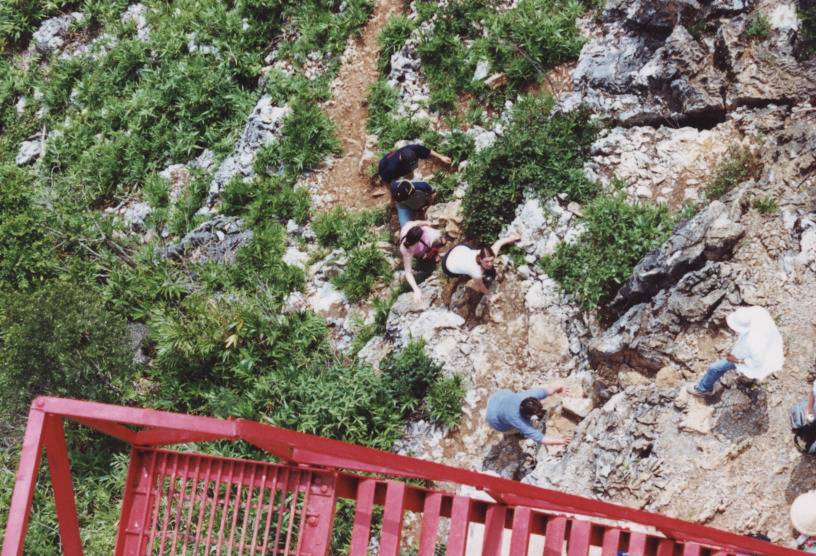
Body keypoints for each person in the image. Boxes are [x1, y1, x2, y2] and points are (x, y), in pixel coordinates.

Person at [687, 306, 784, 398]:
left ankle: (703, 389)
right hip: (767, 346)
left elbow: (756, 362)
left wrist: (737, 360)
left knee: (714, 368)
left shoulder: (753, 342)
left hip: (750, 358)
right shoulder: (758, 312)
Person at [440, 234, 520, 303]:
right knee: (469, 275)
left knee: (471, 249)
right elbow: (481, 286)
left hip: (457, 250)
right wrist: (490, 296)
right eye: (486, 262)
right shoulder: (475, 272)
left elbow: (499, 243)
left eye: (491, 260)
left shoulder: (490, 253)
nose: (490, 264)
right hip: (447, 265)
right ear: (480, 259)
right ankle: (462, 272)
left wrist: (511, 238)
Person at [485, 384, 572, 445]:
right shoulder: (517, 420)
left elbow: (548, 391)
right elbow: (540, 438)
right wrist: (561, 441)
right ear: (525, 416)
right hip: (494, 419)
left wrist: (561, 387)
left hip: (497, 399)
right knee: (530, 427)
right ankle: (517, 434)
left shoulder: (529, 397)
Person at [399, 221, 446, 302]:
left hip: (425, 239)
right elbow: (408, 272)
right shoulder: (405, 250)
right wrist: (416, 290)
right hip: (420, 247)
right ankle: (427, 255)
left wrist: (427, 223)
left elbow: (417, 223)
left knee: (441, 240)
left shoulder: (413, 228)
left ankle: (434, 247)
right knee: (421, 254)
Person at [377, 144, 452, 183]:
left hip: (388, 160)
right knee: (409, 178)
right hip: (384, 167)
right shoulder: (392, 169)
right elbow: (387, 181)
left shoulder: (412, 148)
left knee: (411, 175)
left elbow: (427, 151)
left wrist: (441, 157)